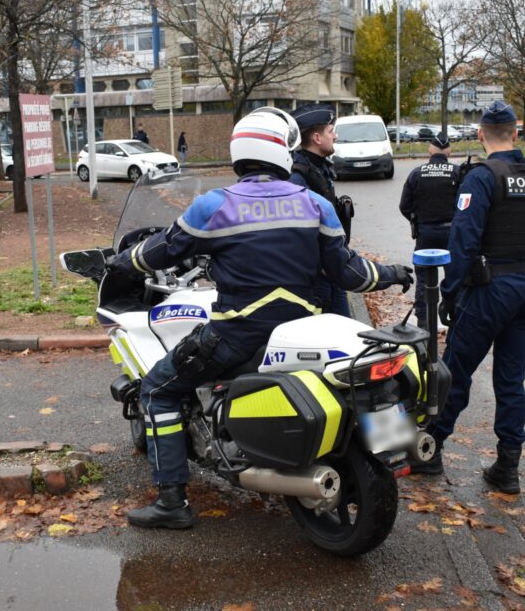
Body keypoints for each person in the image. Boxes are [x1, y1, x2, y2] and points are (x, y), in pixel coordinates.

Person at [109, 107, 414, 529]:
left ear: (240, 152)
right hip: (299, 334)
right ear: (283, 152)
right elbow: (350, 273)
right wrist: (394, 273)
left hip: (236, 337)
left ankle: (171, 502)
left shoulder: (215, 206)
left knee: (159, 390)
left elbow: (162, 250)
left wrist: (122, 262)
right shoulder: (315, 204)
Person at [414, 100, 525, 494]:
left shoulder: (481, 178)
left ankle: (430, 450)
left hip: (486, 291)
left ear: (481, 135)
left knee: (455, 372)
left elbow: (462, 242)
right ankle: (508, 466)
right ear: (516, 133)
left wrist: (449, 293)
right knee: (511, 380)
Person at [287, 102, 353, 317]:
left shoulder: (318, 168)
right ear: (317, 138)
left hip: (331, 270)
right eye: (330, 131)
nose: (335, 136)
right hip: (317, 277)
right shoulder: (298, 177)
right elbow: (299, 233)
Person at [399, 131, 459, 326]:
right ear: (448, 151)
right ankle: (454, 314)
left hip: (425, 233)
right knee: (455, 276)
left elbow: (404, 206)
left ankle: (423, 321)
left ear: (430, 150)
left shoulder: (417, 173)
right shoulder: (458, 173)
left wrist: (417, 220)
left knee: (424, 278)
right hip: (452, 233)